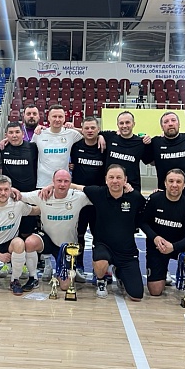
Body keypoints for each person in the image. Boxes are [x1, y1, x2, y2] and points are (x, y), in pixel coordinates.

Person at [76, 164, 146, 301]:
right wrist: (51, 187)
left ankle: (119, 272)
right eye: (111, 177)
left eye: (119, 178)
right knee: (101, 261)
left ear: (125, 180)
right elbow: (76, 186)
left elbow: (151, 207)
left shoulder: (135, 197)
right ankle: (101, 280)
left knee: (136, 295)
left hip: (127, 251)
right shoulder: (98, 193)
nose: (115, 181)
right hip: (104, 246)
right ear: (106, 179)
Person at [19, 169, 92, 292]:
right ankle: (33, 277)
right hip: (47, 240)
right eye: (59, 181)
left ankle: (69, 270)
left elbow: (99, 194)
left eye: (66, 181)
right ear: (53, 182)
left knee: (65, 286)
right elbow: (20, 195)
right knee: (30, 242)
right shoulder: (43, 195)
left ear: (71, 183)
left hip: (67, 247)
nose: (62, 184)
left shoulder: (78, 197)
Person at [139, 168, 185, 299]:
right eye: (171, 181)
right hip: (157, 247)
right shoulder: (154, 199)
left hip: (177, 247)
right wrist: (155, 237)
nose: (174, 185)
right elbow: (142, 222)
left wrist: (174, 247)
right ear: (165, 183)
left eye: (178, 182)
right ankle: (162, 273)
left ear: (184, 185)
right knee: (155, 291)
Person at [149, 111, 185, 204]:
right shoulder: (155, 142)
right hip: (164, 195)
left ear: (179, 124)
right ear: (162, 127)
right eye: (166, 122)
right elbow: (147, 158)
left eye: (173, 120)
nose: (170, 124)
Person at [70, 116, 105, 272]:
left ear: (98, 130)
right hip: (79, 197)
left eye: (93, 128)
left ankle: (99, 267)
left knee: (99, 236)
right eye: (86, 128)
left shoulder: (105, 146)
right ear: (82, 130)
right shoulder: (75, 146)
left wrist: (102, 136)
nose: (90, 131)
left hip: (99, 199)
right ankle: (78, 265)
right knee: (78, 234)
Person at [0, 121, 39, 244]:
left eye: (17, 132)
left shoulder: (33, 148)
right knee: (9, 230)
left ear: (23, 134)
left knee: (27, 232)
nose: (14, 135)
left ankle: (27, 254)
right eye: (11, 133)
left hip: (29, 196)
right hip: (8, 196)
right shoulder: (1, 148)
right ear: (6, 135)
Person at [31, 104, 83, 188]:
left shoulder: (72, 134)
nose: (57, 119)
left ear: (64, 118)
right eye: (54, 116)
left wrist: (100, 137)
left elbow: (90, 136)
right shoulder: (39, 134)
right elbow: (27, 149)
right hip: (43, 183)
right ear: (48, 118)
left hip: (63, 184)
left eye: (60, 117)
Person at [99, 111, 152, 191]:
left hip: (132, 188)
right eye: (121, 123)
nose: (124, 126)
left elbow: (151, 162)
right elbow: (89, 132)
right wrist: (100, 136)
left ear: (133, 124)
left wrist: (149, 141)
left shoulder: (141, 142)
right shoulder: (109, 137)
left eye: (127, 122)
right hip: (110, 187)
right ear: (117, 125)